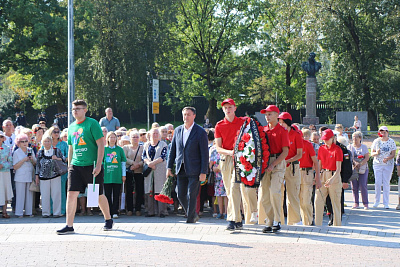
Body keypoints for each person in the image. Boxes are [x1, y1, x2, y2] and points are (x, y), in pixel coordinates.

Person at [57, 99, 113, 235]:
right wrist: (70, 166)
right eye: (73, 109)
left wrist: (99, 164)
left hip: (92, 165)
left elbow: (101, 144)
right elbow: (71, 148)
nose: (75, 112)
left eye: (78, 109)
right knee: (71, 194)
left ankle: (108, 219)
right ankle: (69, 225)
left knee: (98, 195)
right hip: (76, 165)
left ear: (85, 110)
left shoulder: (92, 124)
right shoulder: (71, 127)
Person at [167, 107, 208, 223]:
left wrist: (203, 172)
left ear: (194, 116)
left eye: (188, 115)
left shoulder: (200, 132)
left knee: (192, 194)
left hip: (195, 169)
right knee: (180, 194)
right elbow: (173, 150)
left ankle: (190, 218)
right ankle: (193, 214)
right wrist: (169, 167)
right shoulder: (178, 130)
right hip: (181, 168)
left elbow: (205, 154)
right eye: (184, 114)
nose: (186, 117)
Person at [258, 105, 289, 233]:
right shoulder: (263, 130)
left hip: (278, 162)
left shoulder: (282, 131)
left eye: (270, 114)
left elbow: (285, 152)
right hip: (265, 163)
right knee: (264, 194)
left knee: (275, 191)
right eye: (266, 114)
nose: (267, 117)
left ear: (277, 115)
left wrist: (273, 164)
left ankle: (277, 220)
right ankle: (269, 221)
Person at [278, 112, 303, 225]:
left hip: (292, 166)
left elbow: (299, 154)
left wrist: (287, 160)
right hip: (280, 165)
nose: (280, 124)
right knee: (278, 193)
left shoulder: (296, 134)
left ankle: (295, 220)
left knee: (292, 194)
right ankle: (279, 220)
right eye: (279, 122)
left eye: (282, 122)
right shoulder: (279, 133)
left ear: (287, 122)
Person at [315, 129, 343, 226]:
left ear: (332, 138)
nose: (325, 141)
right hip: (323, 175)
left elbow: (339, 169)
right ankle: (317, 225)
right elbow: (319, 165)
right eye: (324, 139)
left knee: (335, 203)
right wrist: (317, 178)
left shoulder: (338, 150)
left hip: (334, 175)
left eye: (327, 139)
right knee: (318, 201)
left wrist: (332, 179)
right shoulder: (321, 148)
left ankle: (337, 225)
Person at [35, 134, 65, 218]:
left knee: (56, 194)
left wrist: (57, 158)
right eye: (45, 141)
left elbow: (64, 159)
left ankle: (57, 212)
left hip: (55, 175)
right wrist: (37, 176)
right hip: (43, 177)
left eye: (48, 141)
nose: (47, 143)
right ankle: (45, 212)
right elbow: (38, 165)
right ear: (42, 143)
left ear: (51, 142)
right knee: (44, 195)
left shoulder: (56, 150)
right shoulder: (40, 152)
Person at [143, 128, 168, 217]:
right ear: (150, 135)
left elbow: (163, 156)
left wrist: (153, 163)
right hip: (150, 170)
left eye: (157, 133)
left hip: (160, 169)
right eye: (153, 133)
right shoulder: (146, 145)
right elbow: (144, 156)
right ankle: (150, 211)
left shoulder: (163, 144)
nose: (155, 135)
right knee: (149, 190)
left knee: (160, 190)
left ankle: (162, 211)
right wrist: (149, 163)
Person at [371, 126, 396, 209]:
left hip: (388, 164)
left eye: (385, 132)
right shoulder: (376, 141)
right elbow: (372, 153)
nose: (383, 134)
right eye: (381, 132)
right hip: (378, 163)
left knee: (386, 183)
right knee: (378, 183)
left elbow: (393, 154)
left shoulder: (391, 141)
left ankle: (386, 202)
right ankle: (376, 201)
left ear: (387, 132)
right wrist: (376, 153)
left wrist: (387, 158)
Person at [299, 129, 320, 225]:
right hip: (296, 172)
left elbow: (315, 161)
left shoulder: (307, 145)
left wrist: (317, 177)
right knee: (300, 200)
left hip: (307, 172)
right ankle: (304, 221)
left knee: (306, 200)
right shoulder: (293, 144)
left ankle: (310, 220)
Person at [103, 131, 126, 219]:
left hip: (117, 175)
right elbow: (101, 162)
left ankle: (115, 211)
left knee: (116, 194)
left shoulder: (119, 150)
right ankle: (108, 212)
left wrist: (123, 175)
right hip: (107, 176)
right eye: (111, 137)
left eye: (114, 137)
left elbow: (123, 162)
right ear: (107, 139)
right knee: (107, 195)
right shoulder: (104, 149)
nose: (112, 139)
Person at [13, 133, 36, 218]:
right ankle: (19, 213)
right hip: (20, 176)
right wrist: (24, 160)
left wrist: (32, 159)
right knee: (20, 195)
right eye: (22, 141)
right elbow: (15, 166)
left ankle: (28, 212)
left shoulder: (30, 150)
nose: (24, 143)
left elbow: (35, 162)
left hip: (29, 174)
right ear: (18, 143)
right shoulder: (16, 152)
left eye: (26, 141)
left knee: (29, 195)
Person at [49, 126, 69, 216]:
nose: (56, 133)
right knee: (51, 191)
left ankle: (62, 210)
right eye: (54, 131)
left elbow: (68, 157)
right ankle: (51, 210)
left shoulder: (64, 144)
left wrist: (59, 158)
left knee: (61, 191)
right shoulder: (46, 142)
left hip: (61, 170)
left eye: (58, 131)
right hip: (49, 170)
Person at [123, 130, 144, 216]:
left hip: (139, 171)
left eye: (137, 137)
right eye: (133, 137)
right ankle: (130, 209)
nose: (135, 138)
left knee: (139, 190)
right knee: (129, 190)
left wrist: (138, 164)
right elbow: (124, 158)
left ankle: (138, 209)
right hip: (129, 171)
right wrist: (132, 163)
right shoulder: (125, 147)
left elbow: (145, 158)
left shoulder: (143, 147)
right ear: (130, 138)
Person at [348, 131, 370, 210]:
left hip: (363, 168)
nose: (354, 139)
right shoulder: (350, 147)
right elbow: (349, 157)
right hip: (353, 169)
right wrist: (355, 163)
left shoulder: (364, 147)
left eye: (356, 138)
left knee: (363, 185)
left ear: (360, 138)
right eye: (353, 138)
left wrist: (361, 163)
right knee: (354, 186)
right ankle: (356, 203)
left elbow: (367, 157)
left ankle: (365, 203)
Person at [0, 131, 13, 218]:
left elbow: (11, 162)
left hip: (4, 172)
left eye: (1, 137)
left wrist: (3, 165)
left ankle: (4, 211)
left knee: (4, 191)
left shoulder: (7, 148)